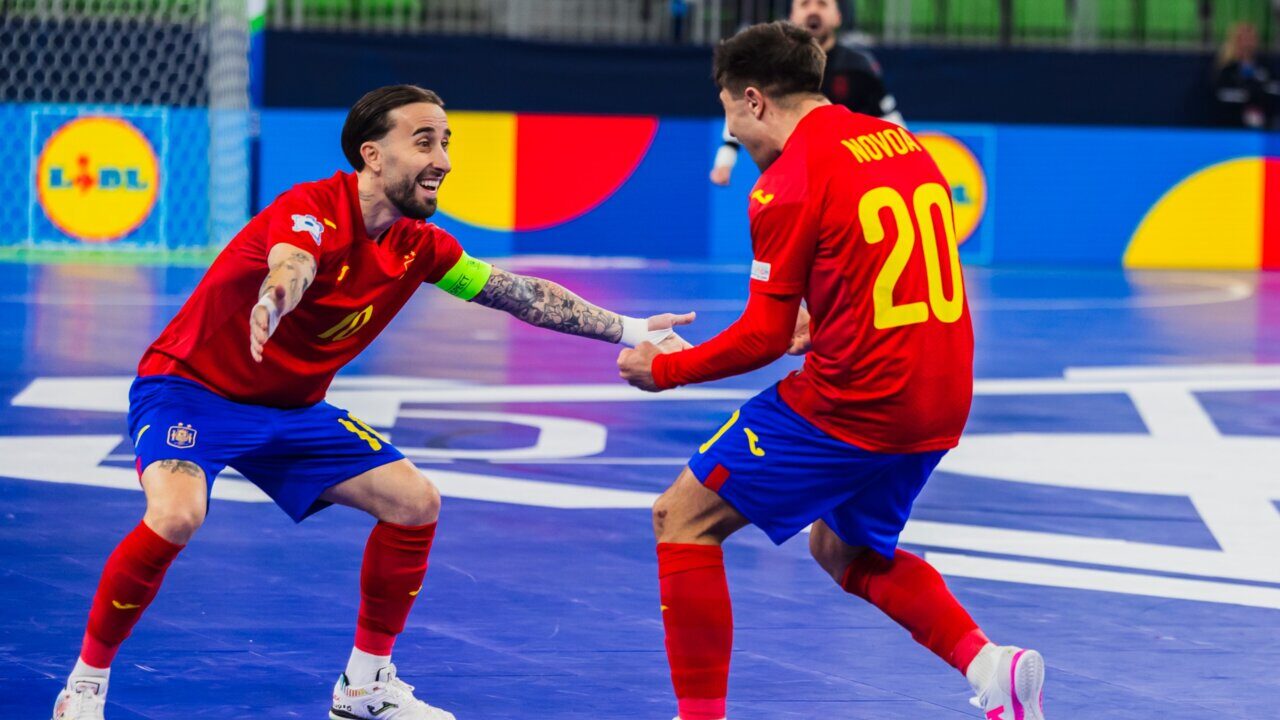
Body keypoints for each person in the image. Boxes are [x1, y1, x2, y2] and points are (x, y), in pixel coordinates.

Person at [51, 84, 694, 720]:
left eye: (446, 141)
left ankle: (364, 688)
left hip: (294, 408)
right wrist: (276, 299)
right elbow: (292, 262)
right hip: (193, 392)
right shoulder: (312, 207)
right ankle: (84, 685)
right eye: (424, 141)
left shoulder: (422, 247)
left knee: (414, 503)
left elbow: (514, 293)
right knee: (178, 514)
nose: (442, 158)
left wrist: (633, 331)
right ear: (373, 155)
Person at [619, 22, 1046, 720]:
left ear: (753, 100)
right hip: (939, 397)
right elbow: (901, 269)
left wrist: (661, 370)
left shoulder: (787, 181)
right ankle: (991, 666)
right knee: (844, 548)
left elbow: (760, 336)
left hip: (858, 399)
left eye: (727, 109)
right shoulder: (904, 145)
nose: (732, 126)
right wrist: (830, 315)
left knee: (682, 519)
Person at [710, 0, 903, 186]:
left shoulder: (859, 66)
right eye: (804, 4)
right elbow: (742, 108)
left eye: (822, 3)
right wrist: (725, 160)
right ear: (792, 16)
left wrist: (905, 161)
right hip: (790, 179)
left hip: (849, 177)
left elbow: (889, 118)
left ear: (838, 17)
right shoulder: (774, 65)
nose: (813, 10)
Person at [1213, 21, 1280, 129]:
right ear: (1235, 41)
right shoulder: (1226, 70)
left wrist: (1259, 93)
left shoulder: (1266, 68)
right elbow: (1222, 95)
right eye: (1243, 38)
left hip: (1265, 124)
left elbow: (1273, 89)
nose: (1247, 43)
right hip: (1232, 125)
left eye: (1251, 38)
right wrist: (1248, 95)